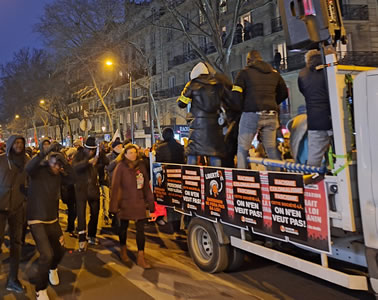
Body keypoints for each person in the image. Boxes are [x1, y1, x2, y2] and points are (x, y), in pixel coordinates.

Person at [26, 143, 73, 300]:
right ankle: (41, 289)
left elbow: (73, 178)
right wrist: (42, 153)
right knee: (46, 254)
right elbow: (28, 168)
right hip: (36, 219)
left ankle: (53, 268)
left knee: (60, 250)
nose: (56, 167)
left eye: (58, 165)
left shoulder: (59, 175)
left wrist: (64, 162)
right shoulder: (37, 171)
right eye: (54, 163)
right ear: (48, 162)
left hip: (52, 220)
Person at [232, 50, 288, 169]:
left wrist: (242, 108)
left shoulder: (244, 73)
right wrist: (272, 103)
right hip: (272, 115)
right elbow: (283, 93)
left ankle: (242, 177)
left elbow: (236, 95)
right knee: (271, 148)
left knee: (243, 148)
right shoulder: (275, 74)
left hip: (252, 114)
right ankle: (277, 178)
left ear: (248, 61)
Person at [110, 144, 156, 268]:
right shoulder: (120, 167)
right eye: (130, 153)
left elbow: (146, 185)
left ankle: (141, 256)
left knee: (140, 230)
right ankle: (123, 250)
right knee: (123, 228)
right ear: (125, 154)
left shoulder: (140, 166)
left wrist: (151, 205)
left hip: (139, 202)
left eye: (134, 152)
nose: (133, 155)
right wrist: (114, 206)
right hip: (125, 203)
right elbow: (115, 187)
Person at [177, 62, 230, 167]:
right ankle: (217, 178)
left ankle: (191, 179)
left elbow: (181, 103)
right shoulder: (217, 85)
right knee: (214, 154)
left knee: (192, 154)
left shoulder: (192, 84)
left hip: (197, 126)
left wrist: (184, 94)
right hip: (214, 127)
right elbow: (227, 100)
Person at [0, 135, 29, 293]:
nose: (19, 145)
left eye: (21, 143)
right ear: (10, 144)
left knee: (16, 244)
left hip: (17, 208)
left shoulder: (26, 161)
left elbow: (32, 180)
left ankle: (13, 279)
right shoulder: (1, 161)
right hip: (0, 207)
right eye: (16, 142)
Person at [298, 49, 333, 167]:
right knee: (340, 152)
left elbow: (304, 91)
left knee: (314, 157)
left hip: (315, 120)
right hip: (334, 117)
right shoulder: (330, 68)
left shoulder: (302, 74)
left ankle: (313, 181)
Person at [72, 137, 100, 251]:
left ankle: (92, 235)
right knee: (81, 214)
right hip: (81, 189)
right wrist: (87, 162)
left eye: (93, 150)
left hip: (93, 189)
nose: (91, 152)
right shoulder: (79, 155)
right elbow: (74, 167)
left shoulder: (97, 155)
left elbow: (106, 163)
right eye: (89, 150)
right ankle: (82, 239)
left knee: (95, 212)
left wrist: (101, 154)